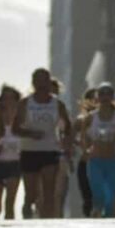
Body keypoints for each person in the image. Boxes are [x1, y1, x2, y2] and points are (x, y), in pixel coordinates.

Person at [15, 67, 72, 219]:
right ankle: (27, 215)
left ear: (49, 82)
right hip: (29, 151)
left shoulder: (57, 104)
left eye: (44, 80)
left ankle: (47, 224)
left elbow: (68, 126)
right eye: (37, 80)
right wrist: (30, 133)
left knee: (49, 193)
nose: (41, 84)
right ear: (33, 83)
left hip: (49, 150)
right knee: (31, 194)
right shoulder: (25, 103)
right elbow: (15, 128)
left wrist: (66, 141)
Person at [81, 82, 115, 218]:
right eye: (102, 93)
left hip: (112, 161)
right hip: (95, 161)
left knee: (111, 198)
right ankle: (96, 217)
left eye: (108, 93)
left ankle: (108, 224)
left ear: (113, 96)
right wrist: (86, 150)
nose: (105, 96)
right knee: (99, 196)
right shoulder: (90, 117)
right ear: (97, 97)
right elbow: (83, 137)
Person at [0, 85, 22, 219]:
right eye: (5, 98)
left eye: (11, 98)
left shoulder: (22, 116)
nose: (8, 101)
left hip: (15, 162)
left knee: (10, 202)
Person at [72, 88, 98, 218]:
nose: (95, 102)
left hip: (104, 161)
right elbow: (70, 137)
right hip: (86, 162)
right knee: (88, 197)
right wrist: (80, 144)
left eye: (97, 99)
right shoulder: (81, 119)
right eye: (91, 99)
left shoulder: (109, 118)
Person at [51, 77, 73, 217]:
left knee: (59, 193)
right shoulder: (32, 107)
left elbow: (67, 132)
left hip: (60, 154)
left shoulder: (61, 109)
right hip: (40, 153)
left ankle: (58, 219)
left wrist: (68, 153)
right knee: (43, 195)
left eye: (55, 91)